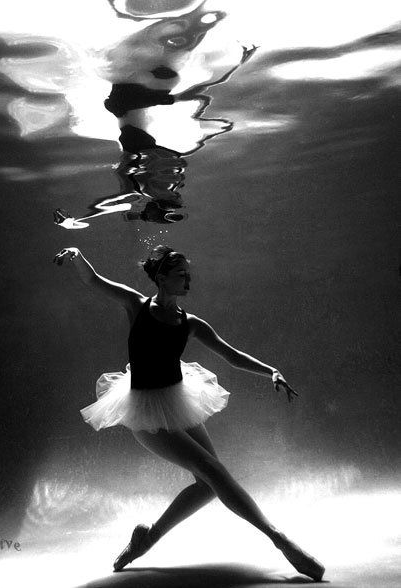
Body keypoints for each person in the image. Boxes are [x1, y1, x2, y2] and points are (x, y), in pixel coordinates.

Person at [53, 245, 325, 581]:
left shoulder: (189, 323)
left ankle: (147, 539)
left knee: (210, 484)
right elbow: (94, 280)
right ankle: (280, 540)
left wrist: (270, 369)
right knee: (213, 470)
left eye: (188, 274)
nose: (188, 280)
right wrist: (77, 254)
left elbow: (232, 354)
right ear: (162, 277)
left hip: (177, 398)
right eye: (181, 274)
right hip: (145, 409)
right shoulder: (136, 305)